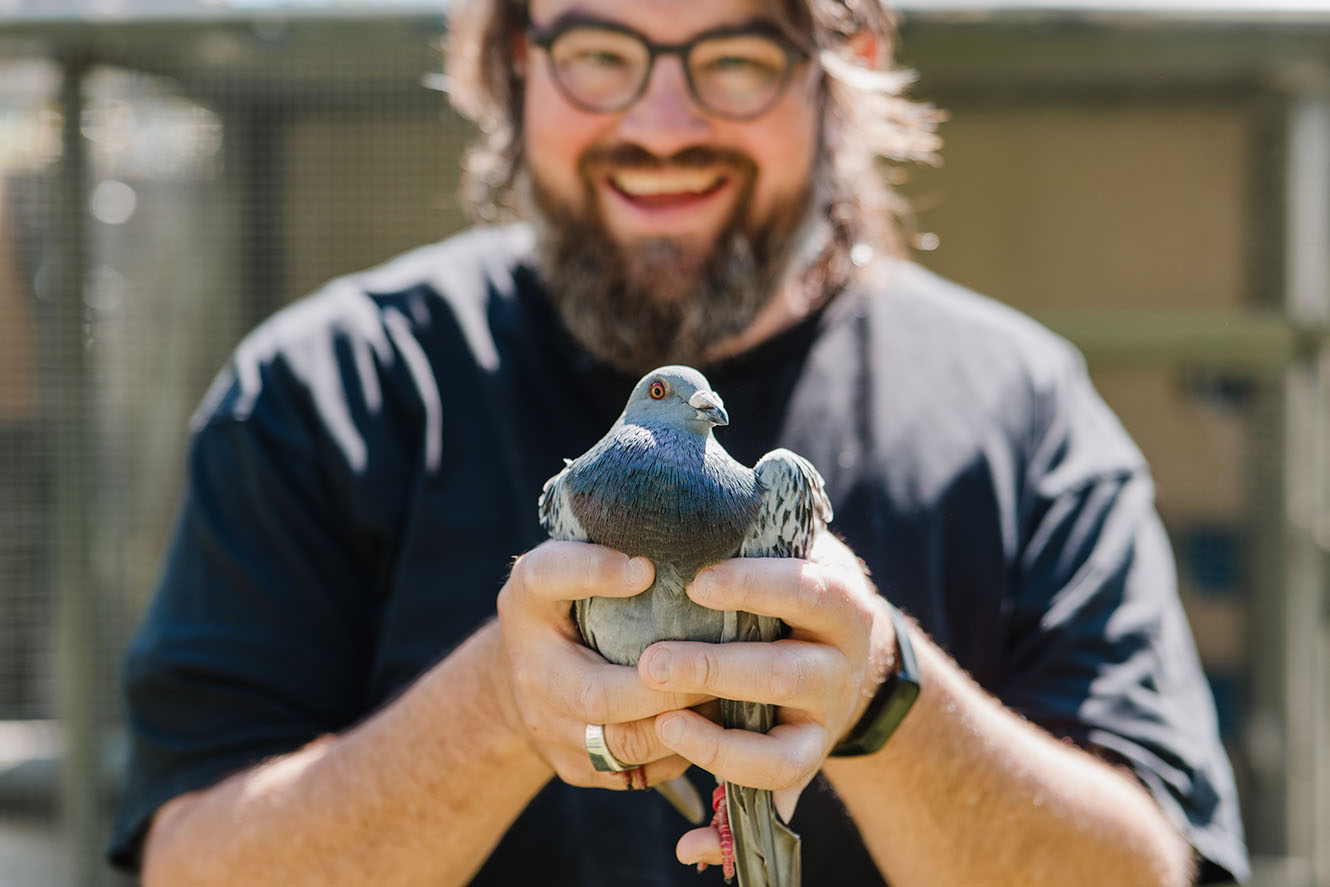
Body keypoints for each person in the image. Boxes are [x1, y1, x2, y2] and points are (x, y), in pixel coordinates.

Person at [107, 0, 1250, 883]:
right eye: (598, 51)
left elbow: (1147, 866)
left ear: (839, 67)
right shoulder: (326, 391)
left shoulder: (1019, 411)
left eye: (735, 58)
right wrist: (502, 704)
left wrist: (888, 695)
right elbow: (195, 864)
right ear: (512, 60)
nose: (661, 126)